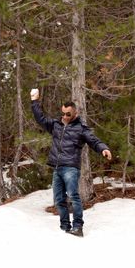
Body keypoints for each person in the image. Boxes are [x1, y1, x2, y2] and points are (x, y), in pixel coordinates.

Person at [31, 89, 112, 237]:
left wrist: (103, 149)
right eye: (63, 113)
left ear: (75, 113)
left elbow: (94, 140)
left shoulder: (81, 128)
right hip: (57, 168)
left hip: (71, 168)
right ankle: (65, 227)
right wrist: (34, 101)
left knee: (74, 196)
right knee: (59, 200)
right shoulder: (55, 125)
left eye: (68, 114)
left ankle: (78, 227)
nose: (65, 117)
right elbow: (40, 118)